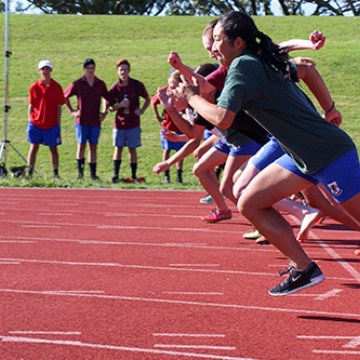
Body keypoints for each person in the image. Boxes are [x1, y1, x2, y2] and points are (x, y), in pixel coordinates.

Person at [178, 11, 360, 296]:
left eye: (217, 40)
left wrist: (191, 98)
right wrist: (329, 108)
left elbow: (223, 118)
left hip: (327, 153)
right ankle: (303, 268)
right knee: (249, 202)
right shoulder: (263, 58)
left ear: (238, 43)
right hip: (301, 155)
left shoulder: (243, 67)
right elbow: (307, 69)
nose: (213, 48)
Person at [64, 58, 109, 181]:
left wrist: (104, 112)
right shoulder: (78, 84)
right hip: (82, 121)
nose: (90, 70)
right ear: (84, 69)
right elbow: (64, 96)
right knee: (81, 146)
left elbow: (107, 98)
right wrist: (72, 111)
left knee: (93, 147)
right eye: (88, 68)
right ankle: (80, 174)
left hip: (95, 120)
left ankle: (93, 175)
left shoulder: (100, 84)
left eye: (92, 68)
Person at [108, 59, 150, 184]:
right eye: (121, 70)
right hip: (120, 124)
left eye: (125, 69)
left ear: (129, 70)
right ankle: (116, 175)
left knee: (133, 149)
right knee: (118, 148)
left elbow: (147, 99)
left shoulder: (137, 85)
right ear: (117, 71)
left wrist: (141, 110)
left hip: (133, 123)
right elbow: (110, 107)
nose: (123, 72)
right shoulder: (115, 88)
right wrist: (120, 105)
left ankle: (134, 176)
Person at [27, 60, 65, 179]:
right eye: (43, 69)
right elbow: (31, 105)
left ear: (51, 70)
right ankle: (30, 173)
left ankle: (55, 173)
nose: (45, 71)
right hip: (36, 123)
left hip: (51, 124)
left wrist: (58, 123)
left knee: (53, 148)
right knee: (34, 147)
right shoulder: (34, 87)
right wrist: (30, 120)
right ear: (39, 71)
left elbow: (59, 107)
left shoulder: (57, 87)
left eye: (47, 69)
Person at [151, 70, 187, 184]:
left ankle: (179, 176)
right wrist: (158, 117)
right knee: (167, 149)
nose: (172, 91)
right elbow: (153, 101)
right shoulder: (165, 90)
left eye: (174, 87)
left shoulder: (188, 96)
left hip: (181, 128)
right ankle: (166, 175)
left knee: (180, 152)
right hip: (169, 127)